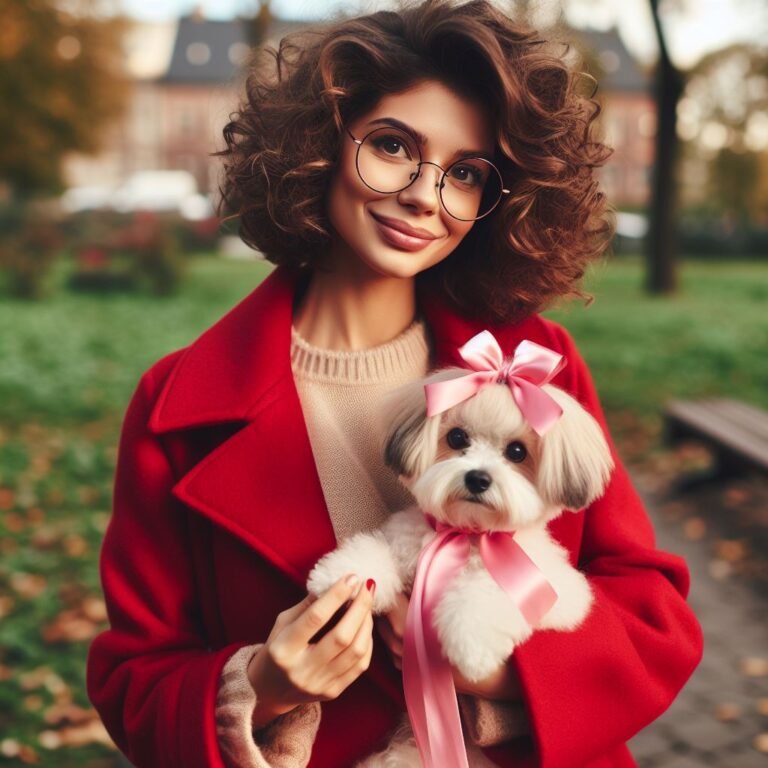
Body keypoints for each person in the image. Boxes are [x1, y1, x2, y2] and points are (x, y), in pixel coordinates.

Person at [86, 1, 703, 766]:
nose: (423, 195)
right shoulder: (178, 402)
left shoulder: (535, 364)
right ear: (316, 147)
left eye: (467, 174)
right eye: (391, 146)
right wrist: (262, 683)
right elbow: (133, 679)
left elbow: (651, 609)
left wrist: (513, 677)